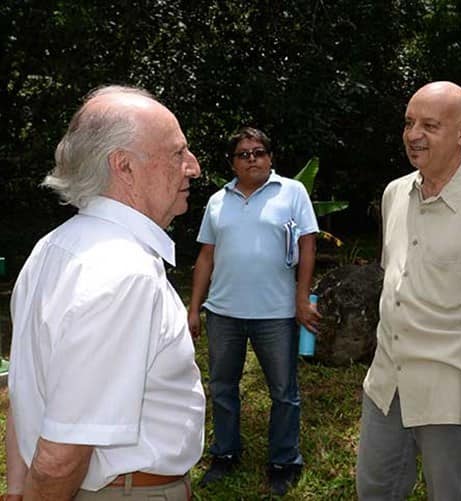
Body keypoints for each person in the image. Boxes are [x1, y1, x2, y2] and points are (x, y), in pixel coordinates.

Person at [4, 85, 205, 500]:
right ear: (124, 166)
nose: (194, 167)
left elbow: (27, 395)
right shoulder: (125, 273)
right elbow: (62, 454)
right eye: (177, 152)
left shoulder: (52, 248)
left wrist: (16, 489)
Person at [356, 81, 461, 500]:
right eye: (409, 122)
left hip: (450, 395)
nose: (414, 134)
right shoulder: (394, 194)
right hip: (387, 384)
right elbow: (395, 282)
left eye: (430, 125)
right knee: (373, 490)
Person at [188, 127, 319, 495]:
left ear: (270, 157)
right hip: (223, 312)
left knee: (283, 391)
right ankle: (225, 454)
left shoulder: (292, 192)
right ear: (232, 162)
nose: (252, 159)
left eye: (258, 152)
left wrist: (301, 298)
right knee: (223, 388)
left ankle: (283, 460)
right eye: (243, 154)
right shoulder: (217, 201)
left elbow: (307, 246)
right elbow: (206, 256)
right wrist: (194, 307)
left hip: (276, 313)